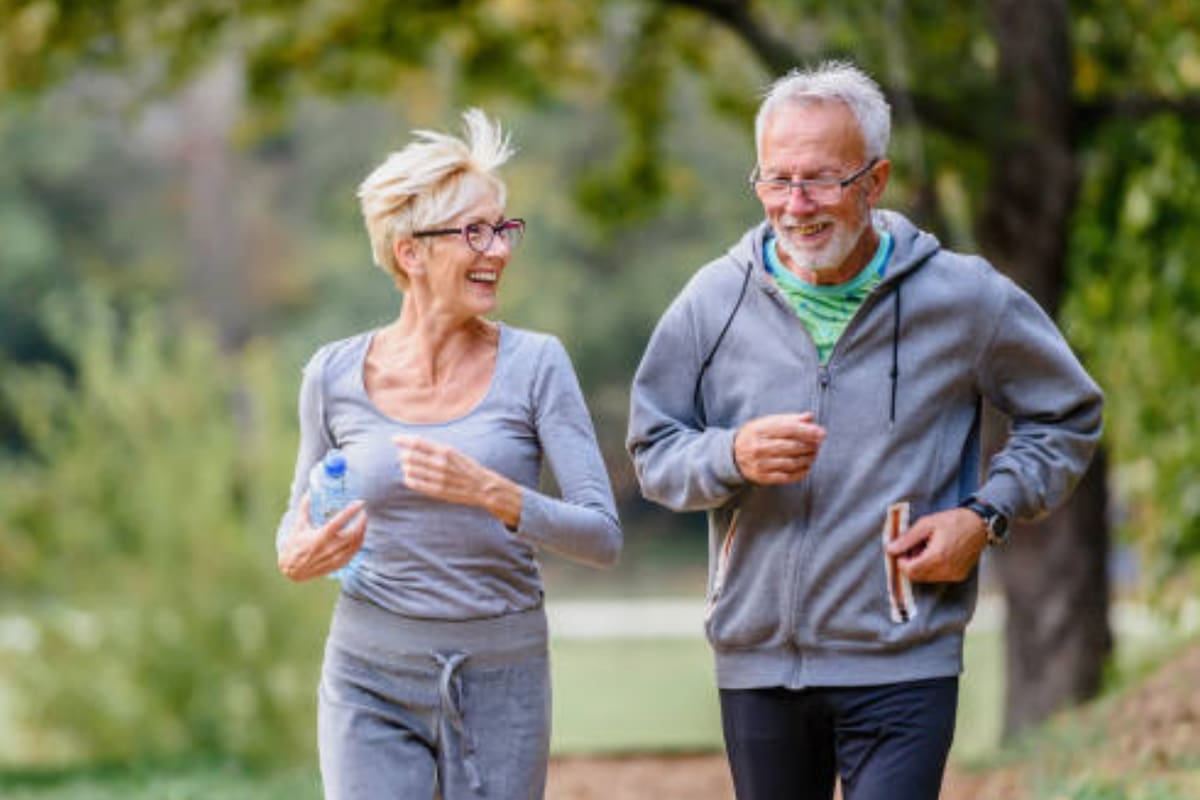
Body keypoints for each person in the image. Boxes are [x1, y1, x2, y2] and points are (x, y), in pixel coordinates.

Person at [626, 61, 1103, 800]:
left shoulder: (963, 297)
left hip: (903, 658)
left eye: (820, 180)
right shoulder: (712, 301)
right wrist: (729, 454)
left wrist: (986, 516)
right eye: (776, 180)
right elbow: (654, 449)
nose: (795, 205)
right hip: (757, 664)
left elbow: (1067, 414)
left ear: (874, 183)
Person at [276, 109, 621, 800]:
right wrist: (295, 552)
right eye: (475, 232)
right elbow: (298, 516)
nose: (498, 249)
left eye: (503, 228)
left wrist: (494, 493)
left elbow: (603, 537)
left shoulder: (536, 365)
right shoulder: (332, 374)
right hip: (366, 670)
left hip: (502, 675)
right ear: (411, 252)